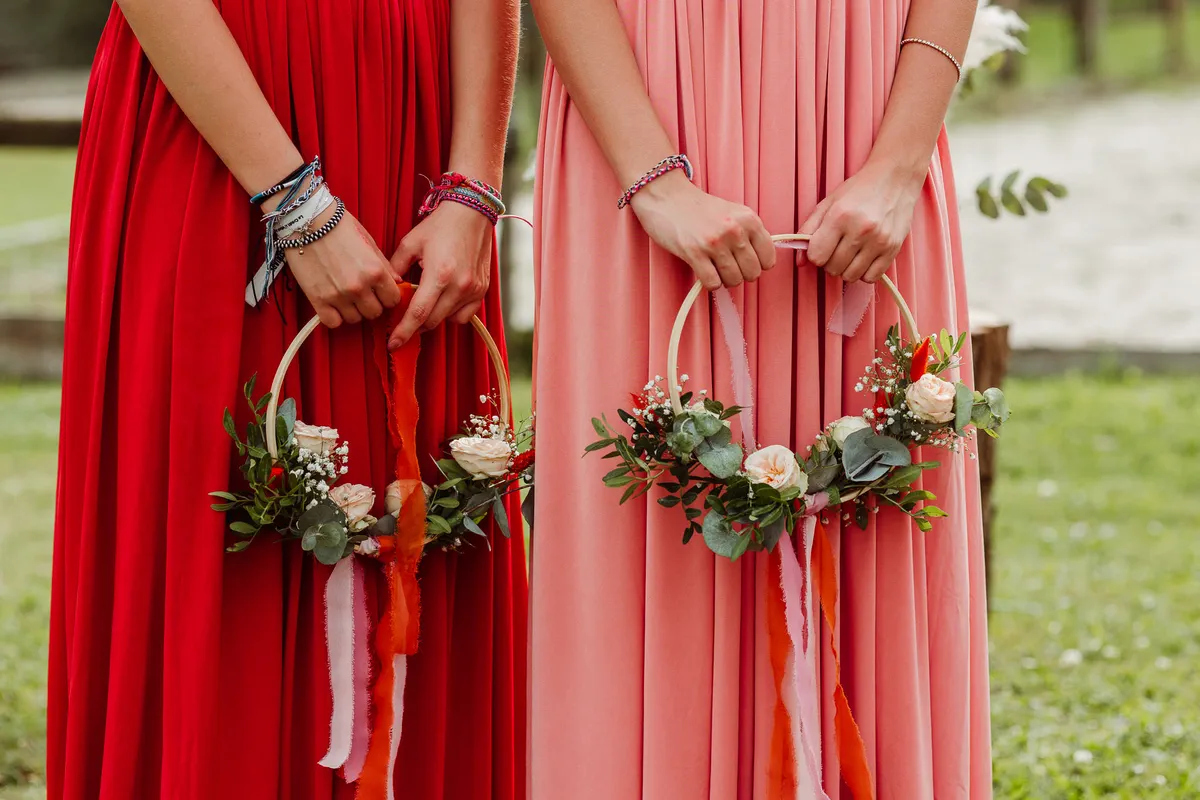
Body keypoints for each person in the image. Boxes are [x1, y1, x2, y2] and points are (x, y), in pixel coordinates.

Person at [48, 0, 526, 797]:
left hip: (417, 124)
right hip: (222, 115)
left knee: (423, 516)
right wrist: (294, 200)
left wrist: (473, 185)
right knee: (217, 542)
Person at [530, 0, 991, 797]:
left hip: (862, 107)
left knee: (876, 513)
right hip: (643, 98)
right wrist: (655, 183)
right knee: (649, 527)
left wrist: (898, 166)